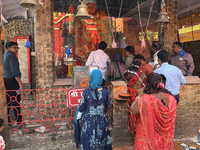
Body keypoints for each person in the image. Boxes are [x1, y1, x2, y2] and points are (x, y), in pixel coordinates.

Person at [130, 73, 177, 150]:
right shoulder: (171, 99)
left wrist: (139, 95)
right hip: (164, 140)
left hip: (147, 140)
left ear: (148, 85)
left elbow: (132, 110)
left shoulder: (145, 99)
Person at [75, 69, 112, 150]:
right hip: (101, 121)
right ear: (100, 79)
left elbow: (81, 108)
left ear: (91, 78)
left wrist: (78, 118)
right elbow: (108, 105)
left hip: (88, 121)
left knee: (88, 142)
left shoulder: (86, 92)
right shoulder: (106, 92)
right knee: (101, 141)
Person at [3, 42, 25, 123]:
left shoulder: (4, 55)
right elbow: (14, 71)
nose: (17, 49)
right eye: (15, 47)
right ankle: (18, 119)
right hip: (12, 81)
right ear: (9, 48)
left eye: (17, 47)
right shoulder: (12, 56)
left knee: (8, 101)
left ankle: (8, 120)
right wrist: (20, 83)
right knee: (15, 100)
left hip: (6, 80)